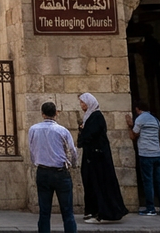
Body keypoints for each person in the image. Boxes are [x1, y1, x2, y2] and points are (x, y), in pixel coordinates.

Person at [76, 92, 127, 223]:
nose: (81, 105)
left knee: (99, 182)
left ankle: (104, 213)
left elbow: (90, 135)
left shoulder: (96, 117)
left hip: (98, 158)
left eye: (83, 102)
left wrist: (83, 132)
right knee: (91, 182)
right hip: (92, 157)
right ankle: (92, 211)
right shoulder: (89, 117)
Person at [29, 101, 78, 233]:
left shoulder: (33, 129)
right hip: (60, 172)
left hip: (43, 171)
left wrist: (37, 162)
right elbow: (72, 151)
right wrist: (73, 165)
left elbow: (32, 150)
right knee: (67, 212)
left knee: (44, 212)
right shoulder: (62, 130)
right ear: (56, 113)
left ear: (42, 114)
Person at [124, 101, 160, 216]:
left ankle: (150, 208)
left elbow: (134, 135)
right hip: (157, 154)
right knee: (159, 182)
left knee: (148, 181)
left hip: (146, 154)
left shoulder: (140, 119)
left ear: (138, 109)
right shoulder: (156, 120)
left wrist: (130, 126)